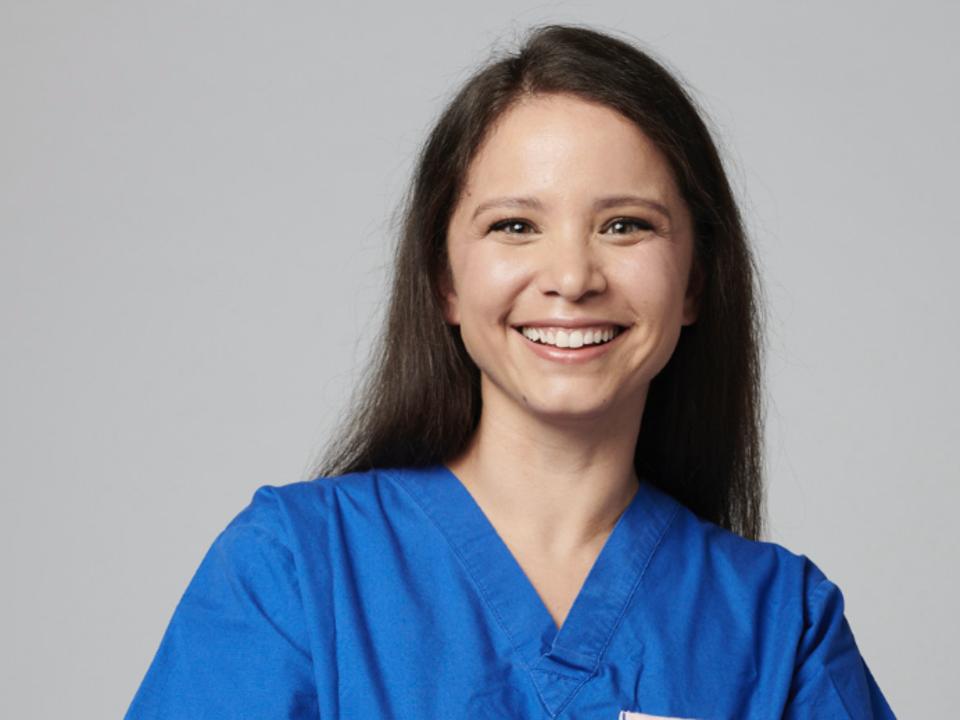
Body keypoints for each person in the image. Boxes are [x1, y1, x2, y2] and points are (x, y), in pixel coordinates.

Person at [124, 23, 896, 719]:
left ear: (694, 281)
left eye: (625, 225)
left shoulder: (778, 623)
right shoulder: (294, 570)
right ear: (445, 281)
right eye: (515, 226)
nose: (571, 275)